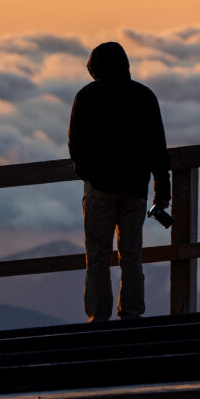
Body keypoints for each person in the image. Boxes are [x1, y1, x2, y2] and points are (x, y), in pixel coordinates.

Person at [67, 42, 171, 322]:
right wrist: (163, 188)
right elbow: (157, 148)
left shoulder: (86, 96)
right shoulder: (144, 96)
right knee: (132, 256)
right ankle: (132, 315)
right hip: (135, 188)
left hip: (99, 189)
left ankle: (98, 318)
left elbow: (75, 145)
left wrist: (88, 174)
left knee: (98, 256)